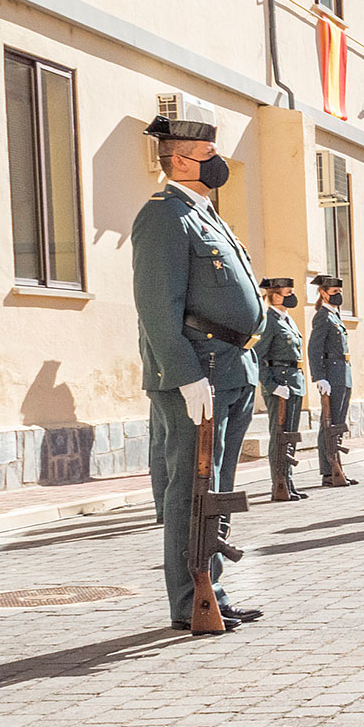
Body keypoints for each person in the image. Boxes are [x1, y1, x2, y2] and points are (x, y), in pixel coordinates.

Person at [132, 114, 267, 634]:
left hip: (232, 366)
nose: (219, 163)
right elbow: (155, 304)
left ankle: (213, 589)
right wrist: (185, 374)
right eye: (209, 155)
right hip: (199, 371)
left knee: (217, 489)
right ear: (182, 160)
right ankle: (191, 599)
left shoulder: (204, 214)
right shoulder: (164, 215)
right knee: (191, 488)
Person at [257, 277, 307, 502]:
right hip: (280, 384)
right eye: (288, 293)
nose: (292, 296)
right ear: (275, 296)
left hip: (294, 383)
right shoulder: (269, 321)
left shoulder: (287, 319)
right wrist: (272, 385)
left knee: (290, 436)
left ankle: (288, 483)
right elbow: (257, 357)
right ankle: (278, 484)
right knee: (279, 437)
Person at [305, 275, 356, 488]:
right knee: (329, 424)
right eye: (334, 292)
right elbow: (314, 349)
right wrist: (319, 377)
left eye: (339, 292)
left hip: (343, 373)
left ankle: (338, 468)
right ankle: (328, 472)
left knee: (338, 424)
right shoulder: (323, 317)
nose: (338, 295)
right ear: (323, 293)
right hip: (332, 375)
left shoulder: (335, 315)